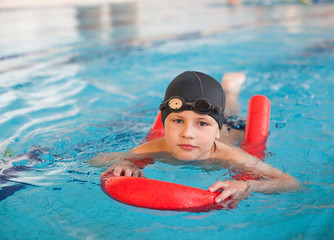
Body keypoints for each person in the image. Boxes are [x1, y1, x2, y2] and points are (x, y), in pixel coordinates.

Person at [90, 71, 299, 208]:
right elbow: (96, 161)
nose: (188, 133)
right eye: (178, 121)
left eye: (202, 123)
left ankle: (231, 91)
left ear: (215, 131)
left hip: (234, 132)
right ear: (164, 124)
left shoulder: (233, 156)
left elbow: (291, 183)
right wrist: (125, 163)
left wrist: (248, 186)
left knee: (233, 113)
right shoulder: (155, 147)